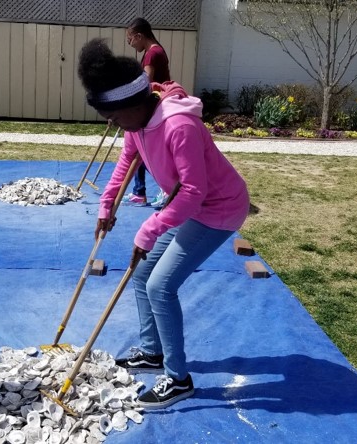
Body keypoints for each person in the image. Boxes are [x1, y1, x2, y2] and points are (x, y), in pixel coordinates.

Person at [79, 39, 250, 409]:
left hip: (218, 208)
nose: (112, 123)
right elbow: (125, 165)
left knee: (160, 285)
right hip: (189, 205)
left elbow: (193, 190)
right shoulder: (136, 125)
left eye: (114, 115)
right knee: (141, 274)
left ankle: (178, 379)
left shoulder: (178, 125)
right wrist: (106, 206)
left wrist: (149, 228)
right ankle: (152, 352)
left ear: (133, 104)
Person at [124, 17, 171, 207]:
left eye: (130, 39)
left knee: (146, 151)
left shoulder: (153, 54)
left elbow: (147, 84)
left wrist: (129, 106)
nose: (130, 43)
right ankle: (139, 191)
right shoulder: (156, 51)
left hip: (153, 109)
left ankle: (168, 188)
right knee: (140, 150)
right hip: (153, 107)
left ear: (139, 36)